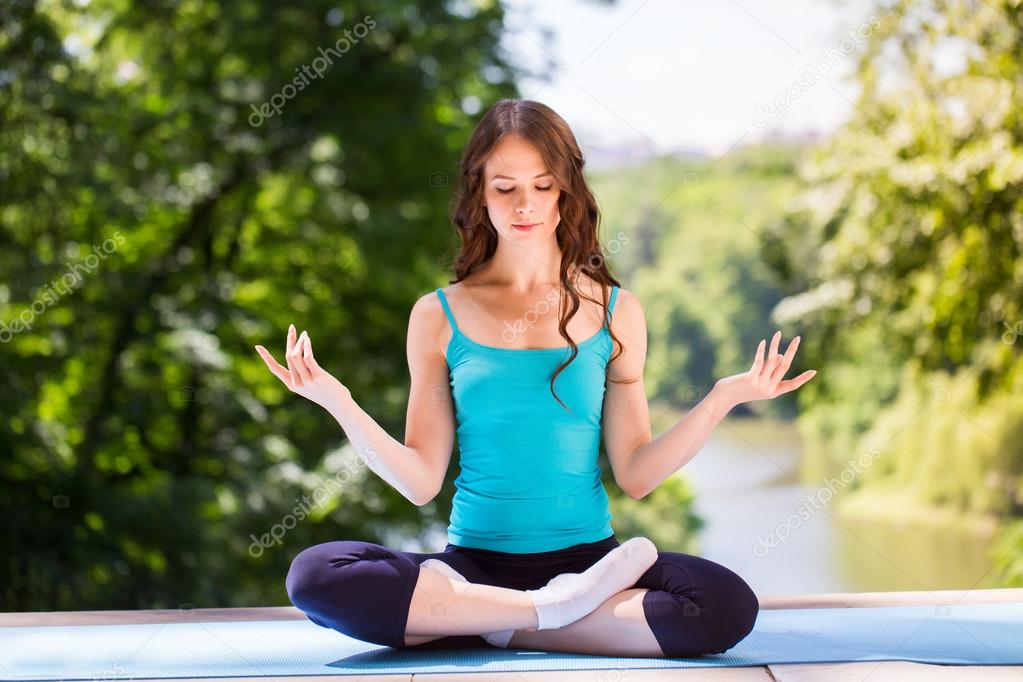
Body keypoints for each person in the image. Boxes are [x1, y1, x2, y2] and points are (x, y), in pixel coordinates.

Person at [254, 99, 817, 658]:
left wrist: (723, 399)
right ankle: (540, 614)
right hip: (473, 567)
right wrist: (338, 402)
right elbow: (421, 481)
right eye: (505, 188)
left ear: (566, 189)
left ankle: (480, 621)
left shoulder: (617, 311)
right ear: (479, 192)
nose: (525, 205)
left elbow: (638, 474)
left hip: (590, 566)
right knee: (317, 576)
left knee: (723, 604)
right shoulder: (437, 315)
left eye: (543, 186)